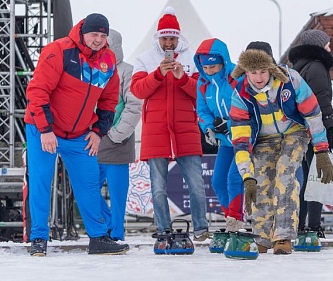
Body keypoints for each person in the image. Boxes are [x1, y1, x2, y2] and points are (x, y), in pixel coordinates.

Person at [24, 13, 129, 256]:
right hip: (43, 129)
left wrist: (98, 131)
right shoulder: (58, 51)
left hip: (80, 133)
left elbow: (109, 99)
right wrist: (46, 130)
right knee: (41, 181)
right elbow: (38, 91)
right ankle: (39, 238)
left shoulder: (108, 60)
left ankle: (98, 237)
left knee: (89, 184)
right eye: (94, 34)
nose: (98, 40)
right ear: (82, 32)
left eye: (103, 36)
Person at [229, 42, 333, 255]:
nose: (258, 78)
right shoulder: (240, 94)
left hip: (294, 133)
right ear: (245, 71)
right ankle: (262, 237)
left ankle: (283, 236)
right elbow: (240, 140)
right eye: (253, 72)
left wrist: (321, 151)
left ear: (272, 68)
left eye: (263, 71)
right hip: (264, 139)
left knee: (285, 174)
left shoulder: (291, 81)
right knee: (260, 181)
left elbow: (313, 114)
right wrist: (247, 176)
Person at [130, 7, 210, 241]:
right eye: (164, 38)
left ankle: (201, 228)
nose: (168, 43)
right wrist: (157, 75)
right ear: (158, 38)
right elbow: (137, 90)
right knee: (158, 188)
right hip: (156, 131)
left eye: (172, 38)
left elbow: (201, 92)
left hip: (186, 130)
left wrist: (182, 78)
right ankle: (164, 229)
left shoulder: (192, 59)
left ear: (178, 37)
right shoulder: (144, 59)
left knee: (196, 185)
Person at [288, 29, 333, 238]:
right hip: (316, 128)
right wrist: (331, 126)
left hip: (299, 129)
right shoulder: (317, 67)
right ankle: (314, 226)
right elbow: (321, 99)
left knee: (304, 178)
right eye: (327, 44)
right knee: (318, 177)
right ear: (318, 46)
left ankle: (299, 224)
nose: (330, 48)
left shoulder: (298, 67)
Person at [194, 38, 245, 232]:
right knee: (217, 181)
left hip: (243, 139)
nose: (209, 71)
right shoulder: (203, 82)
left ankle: (237, 219)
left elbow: (249, 108)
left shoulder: (237, 78)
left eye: (213, 67)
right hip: (225, 142)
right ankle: (230, 219)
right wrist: (208, 127)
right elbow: (202, 109)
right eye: (204, 67)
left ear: (223, 61)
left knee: (234, 178)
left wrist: (230, 124)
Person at [97, 29, 143, 241]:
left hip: (118, 140)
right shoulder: (90, 69)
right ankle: (108, 224)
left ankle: (116, 233)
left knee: (117, 194)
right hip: (93, 138)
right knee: (86, 187)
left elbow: (134, 106)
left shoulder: (127, 71)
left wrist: (117, 134)